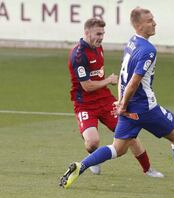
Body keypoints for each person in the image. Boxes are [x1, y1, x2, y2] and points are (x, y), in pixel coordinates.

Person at [60, 8, 174, 189]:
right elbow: (133, 81)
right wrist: (123, 104)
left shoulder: (132, 42)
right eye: (150, 21)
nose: (154, 23)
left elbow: (123, 77)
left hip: (129, 108)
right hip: (145, 108)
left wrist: (121, 102)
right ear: (139, 26)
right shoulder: (148, 50)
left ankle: (81, 166)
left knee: (117, 149)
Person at [65, 17, 163, 178]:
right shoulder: (78, 55)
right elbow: (87, 86)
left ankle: (148, 169)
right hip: (85, 104)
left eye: (103, 34)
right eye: (98, 34)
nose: (101, 37)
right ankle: (94, 159)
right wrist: (108, 80)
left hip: (105, 100)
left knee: (129, 135)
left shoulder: (98, 47)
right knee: (92, 142)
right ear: (86, 32)